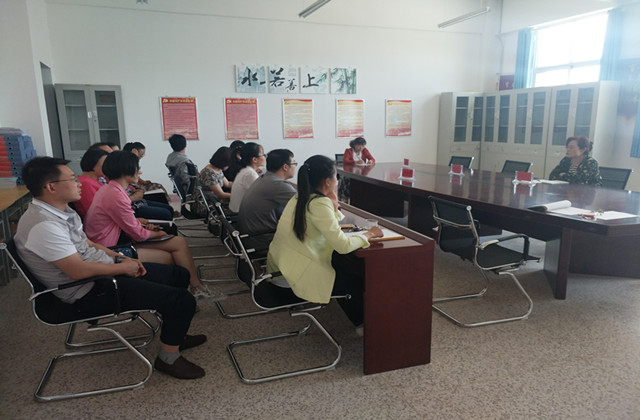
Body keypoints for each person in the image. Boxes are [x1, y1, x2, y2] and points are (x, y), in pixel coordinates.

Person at [15, 157, 207, 380]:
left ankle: (175, 334)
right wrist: (122, 269)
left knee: (179, 275)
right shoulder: (44, 225)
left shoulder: (60, 211)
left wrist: (119, 258)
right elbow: (77, 272)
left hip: (101, 271)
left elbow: (88, 243)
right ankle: (168, 359)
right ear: (51, 187)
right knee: (183, 301)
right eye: (73, 179)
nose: (79, 183)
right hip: (86, 291)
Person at [267, 155, 382, 327]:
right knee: (355, 282)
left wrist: (334, 206)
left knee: (343, 267)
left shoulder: (300, 197)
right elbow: (343, 246)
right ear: (327, 181)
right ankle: (363, 327)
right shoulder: (319, 203)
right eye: (336, 177)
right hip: (291, 278)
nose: (337, 181)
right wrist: (369, 234)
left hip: (280, 270)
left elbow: (326, 225)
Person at [84, 151, 219, 299]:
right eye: (137, 168)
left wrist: (138, 223)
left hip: (116, 239)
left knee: (178, 243)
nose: (140, 172)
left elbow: (121, 221)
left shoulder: (110, 189)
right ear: (125, 170)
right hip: (110, 249)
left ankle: (194, 287)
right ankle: (182, 293)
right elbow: (138, 235)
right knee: (168, 256)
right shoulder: (115, 194)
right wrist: (157, 233)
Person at [237, 149, 297, 252]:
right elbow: (307, 205)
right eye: (294, 163)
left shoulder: (265, 178)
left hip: (249, 236)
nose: (295, 166)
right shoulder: (277, 185)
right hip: (262, 239)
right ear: (285, 167)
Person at [228, 142, 266, 213]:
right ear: (254, 159)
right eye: (263, 155)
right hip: (242, 214)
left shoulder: (246, 171)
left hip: (238, 211)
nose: (265, 157)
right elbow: (263, 196)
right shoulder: (250, 174)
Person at [74, 148, 108, 219]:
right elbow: (94, 211)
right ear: (93, 163)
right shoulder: (85, 183)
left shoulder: (91, 181)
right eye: (105, 163)